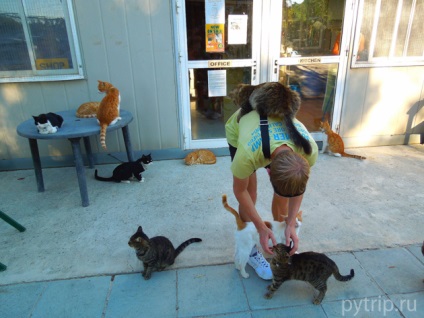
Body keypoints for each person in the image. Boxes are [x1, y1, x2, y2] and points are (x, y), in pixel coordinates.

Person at [225, 105, 318, 280]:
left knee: (284, 196)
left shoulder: (309, 150)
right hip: (242, 129)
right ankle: (251, 252)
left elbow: (298, 189)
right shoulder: (247, 154)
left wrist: (290, 223)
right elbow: (240, 191)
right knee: (250, 194)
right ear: (269, 170)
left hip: (274, 138)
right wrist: (260, 227)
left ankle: (281, 240)